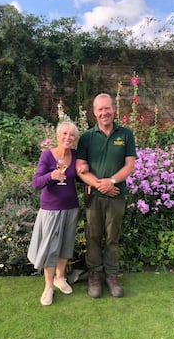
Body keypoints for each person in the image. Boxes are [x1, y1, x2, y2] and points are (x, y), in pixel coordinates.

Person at [76, 93, 136, 298]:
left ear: (113, 109)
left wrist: (111, 182)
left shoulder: (126, 134)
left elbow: (129, 166)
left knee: (112, 237)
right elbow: (80, 168)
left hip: (116, 194)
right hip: (93, 196)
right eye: (100, 109)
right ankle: (94, 275)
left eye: (107, 108)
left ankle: (111, 276)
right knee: (93, 236)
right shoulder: (86, 138)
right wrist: (101, 185)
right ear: (94, 112)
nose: (104, 113)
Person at [27, 120, 87, 306]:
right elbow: (36, 183)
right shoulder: (47, 156)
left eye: (71, 135)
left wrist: (85, 171)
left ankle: (60, 278)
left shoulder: (75, 155)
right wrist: (51, 176)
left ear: (75, 139)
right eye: (64, 134)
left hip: (71, 207)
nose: (68, 137)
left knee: (66, 245)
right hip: (51, 209)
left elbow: (81, 174)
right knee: (51, 247)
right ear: (57, 136)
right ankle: (48, 287)